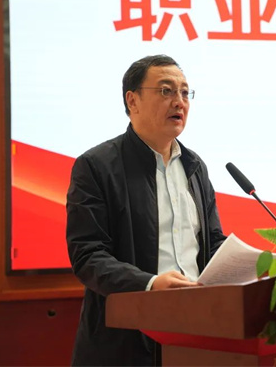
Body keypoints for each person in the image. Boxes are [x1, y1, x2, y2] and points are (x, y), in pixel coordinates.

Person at [66, 55, 226, 366]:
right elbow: (88, 256)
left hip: (196, 332)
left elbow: (211, 242)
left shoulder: (194, 167)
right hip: (126, 340)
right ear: (133, 100)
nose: (179, 101)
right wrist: (150, 284)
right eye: (166, 90)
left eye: (185, 92)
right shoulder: (97, 166)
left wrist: (250, 264)